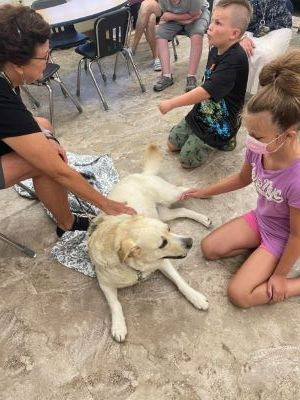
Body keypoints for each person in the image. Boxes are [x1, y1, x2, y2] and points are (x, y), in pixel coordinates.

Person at [0, 5, 136, 238]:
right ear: (17, 64)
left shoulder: (6, 72)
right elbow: (59, 172)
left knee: (44, 125)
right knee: (46, 164)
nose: (49, 61)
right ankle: (67, 224)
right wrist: (106, 204)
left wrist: (48, 139)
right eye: (45, 57)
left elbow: (20, 120)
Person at [180, 48, 300, 307]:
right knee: (209, 248)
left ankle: (292, 281)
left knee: (240, 295)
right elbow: (241, 178)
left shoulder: (297, 178)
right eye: (250, 133)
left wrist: (280, 275)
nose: (250, 142)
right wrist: (204, 191)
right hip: (262, 219)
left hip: (284, 236)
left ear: (287, 136)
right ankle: (261, 256)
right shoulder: (261, 149)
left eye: (258, 137)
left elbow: (297, 236)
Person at [159, 0, 251, 168]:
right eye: (212, 20)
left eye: (217, 23)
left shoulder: (235, 59)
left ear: (234, 33)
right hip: (203, 112)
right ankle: (198, 136)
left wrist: (172, 103)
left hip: (221, 123)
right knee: (172, 144)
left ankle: (226, 140)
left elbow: (205, 91)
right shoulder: (216, 47)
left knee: (186, 161)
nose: (210, 26)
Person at [153, 0, 210, 92]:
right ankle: (166, 76)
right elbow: (165, 14)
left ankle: (191, 76)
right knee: (160, 34)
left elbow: (196, 14)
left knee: (197, 34)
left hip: (198, 16)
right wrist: (178, 18)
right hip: (175, 19)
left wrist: (171, 16)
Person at [239, 0, 292, 94]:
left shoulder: (285, 6)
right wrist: (241, 36)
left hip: (279, 28)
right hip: (246, 28)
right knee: (241, 50)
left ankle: (262, 95)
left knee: (265, 54)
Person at [129, 0, 163, 71]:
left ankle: (133, 49)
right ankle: (156, 57)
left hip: (158, 4)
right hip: (136, 6)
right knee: (151, 19)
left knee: (146, 5)